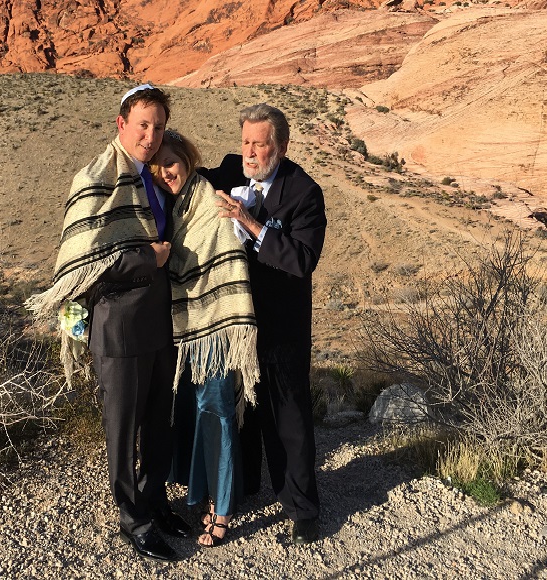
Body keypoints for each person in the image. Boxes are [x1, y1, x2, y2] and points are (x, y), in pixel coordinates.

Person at [26, 84, 191, 563]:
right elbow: (86, 261)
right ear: (121, 124)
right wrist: (148, 257)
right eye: (143, 124)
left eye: (158, 126)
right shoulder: (96, 177)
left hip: (160, 324)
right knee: (122, 427)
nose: (151, 134)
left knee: (159, 421)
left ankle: (155, 502)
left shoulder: (154, 177)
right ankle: (132, 518)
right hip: (117, 328)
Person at [200, 103, 327, 545]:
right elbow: (192, 177)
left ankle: (303, 509)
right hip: (238, 321)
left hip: (283, 324)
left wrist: (250, 223)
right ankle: (249, 485)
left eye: (260, 143)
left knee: (287, 412)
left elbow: (302, 260)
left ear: (282, 146)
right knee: (245, 407)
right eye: (246, 142)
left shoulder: (304, 192)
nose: (251, 152)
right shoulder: (233, 169)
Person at [149, 129, 259, 547]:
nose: (165, 173)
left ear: (188, 158)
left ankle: (223, 506)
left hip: (219, 330)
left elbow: (229, 265)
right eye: (158, 169)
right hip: (189, 332)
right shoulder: (176, 208)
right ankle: (204, 492)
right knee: (197, 411)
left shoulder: (212, 203)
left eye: (171, 163)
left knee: (217, 410)